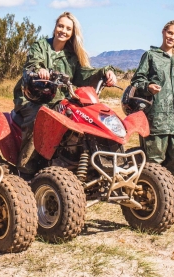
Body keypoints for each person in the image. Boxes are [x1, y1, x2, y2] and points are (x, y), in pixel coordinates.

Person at [12, 11, 117, 177]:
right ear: (55, 28)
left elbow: (84, 74)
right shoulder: (40, 46)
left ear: (72, 33)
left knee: (81, 117)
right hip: (33, 98)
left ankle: (76, 163)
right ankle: (25, 171)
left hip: (59, 100)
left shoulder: (72, 56)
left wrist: (105, 72)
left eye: (68, 28)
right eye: (60, 26)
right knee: (38, 119)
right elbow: (32, 64)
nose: (63, 30)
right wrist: (40, 71)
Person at [130, 20, 174, 187]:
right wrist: (148, 87)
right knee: (154, 161)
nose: (172, 37)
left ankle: (173, 196)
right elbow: (137, 80)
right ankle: (150, 194)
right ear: (163, 32)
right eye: (170, 33)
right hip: (157, 117)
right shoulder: (151, 56)